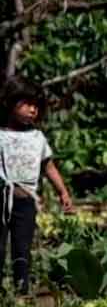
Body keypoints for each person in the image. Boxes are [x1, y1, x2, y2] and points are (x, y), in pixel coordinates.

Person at [0, 78, 73, 295]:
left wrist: (63, 192)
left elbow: (48, 167)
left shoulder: (37, 138)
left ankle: (21, 292)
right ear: (10, 103)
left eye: (36, 106)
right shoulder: (1, 135)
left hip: (26, 202)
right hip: (2, 197)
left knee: (22, 248)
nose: (33, 110)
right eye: (27, 104)